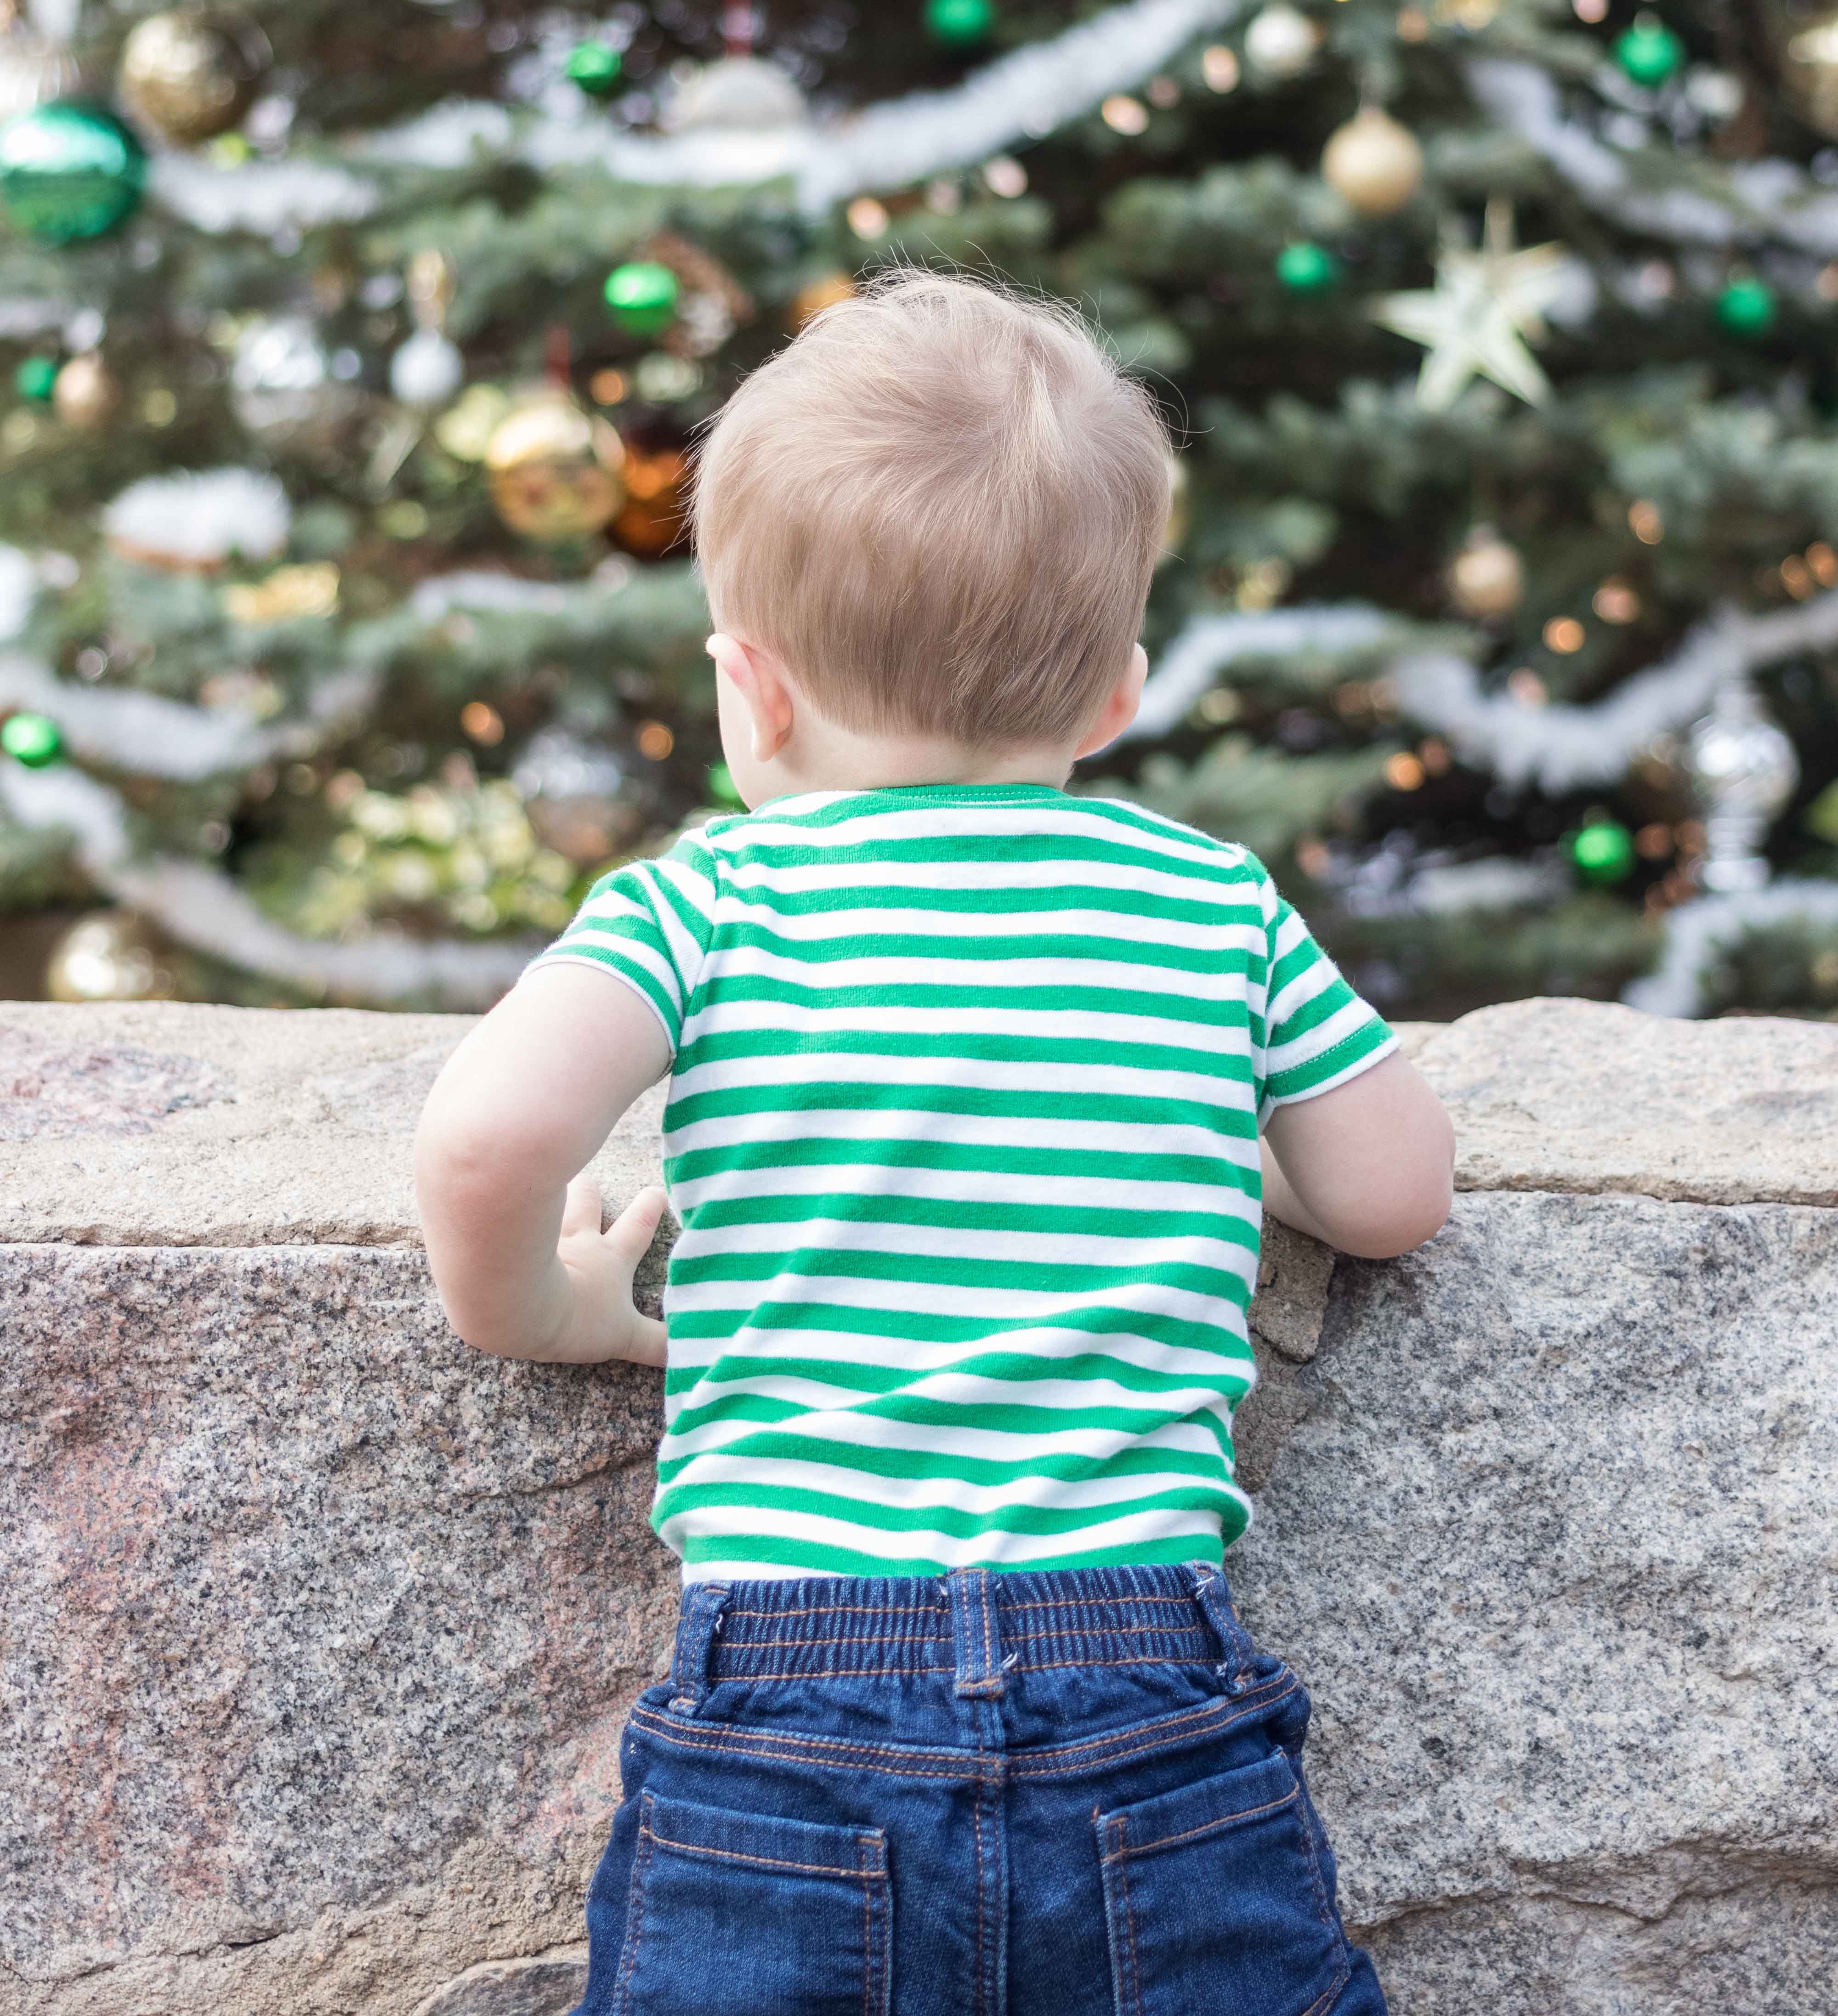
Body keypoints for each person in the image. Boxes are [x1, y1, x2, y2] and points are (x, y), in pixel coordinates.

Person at [416, 271, 1454, 2016]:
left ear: (750, 691)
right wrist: (1220, 1133)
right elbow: (1392, 1193)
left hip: (787, 1690)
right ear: (1116, 695)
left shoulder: (707, 907)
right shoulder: (1206, 904)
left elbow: (486, 1138)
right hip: (1146, 1674)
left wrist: (551, 1312)